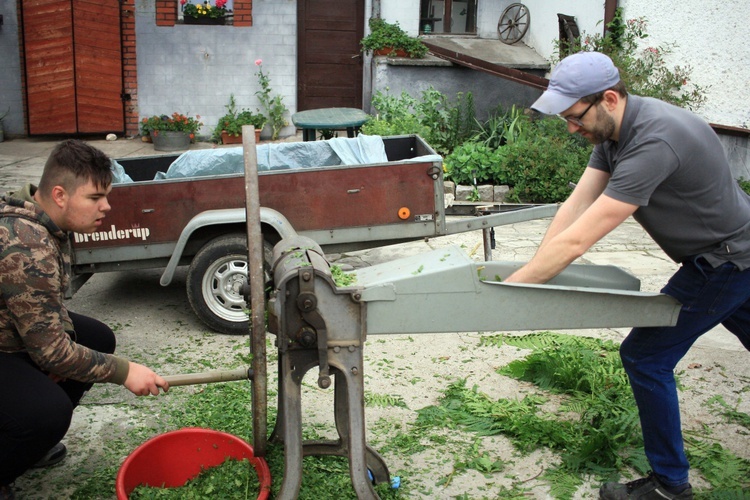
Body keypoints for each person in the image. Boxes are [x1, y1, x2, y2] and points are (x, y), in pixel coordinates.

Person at [504, 51, 750, 499]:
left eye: (574, 117)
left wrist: (510, 292)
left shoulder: (654, 142)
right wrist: (535, 268)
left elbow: (583, 239)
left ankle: (669, 486)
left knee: (645, 356)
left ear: (609, 98)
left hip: (723, 262)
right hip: (732, 252)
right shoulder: (614, 133)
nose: (570, 127)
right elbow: (575, 208)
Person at [0, 140, 169, 499]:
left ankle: (30, 443)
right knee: (47, 412)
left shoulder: (40, 218)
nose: (107, 206)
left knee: (96, 338)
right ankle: (20, 442)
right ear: (60, 194)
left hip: (10, 326)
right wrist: (125, 372)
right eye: (95, 198)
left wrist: (61, 347)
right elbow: (52, 354)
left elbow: (44, 310)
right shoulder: (27, 245)